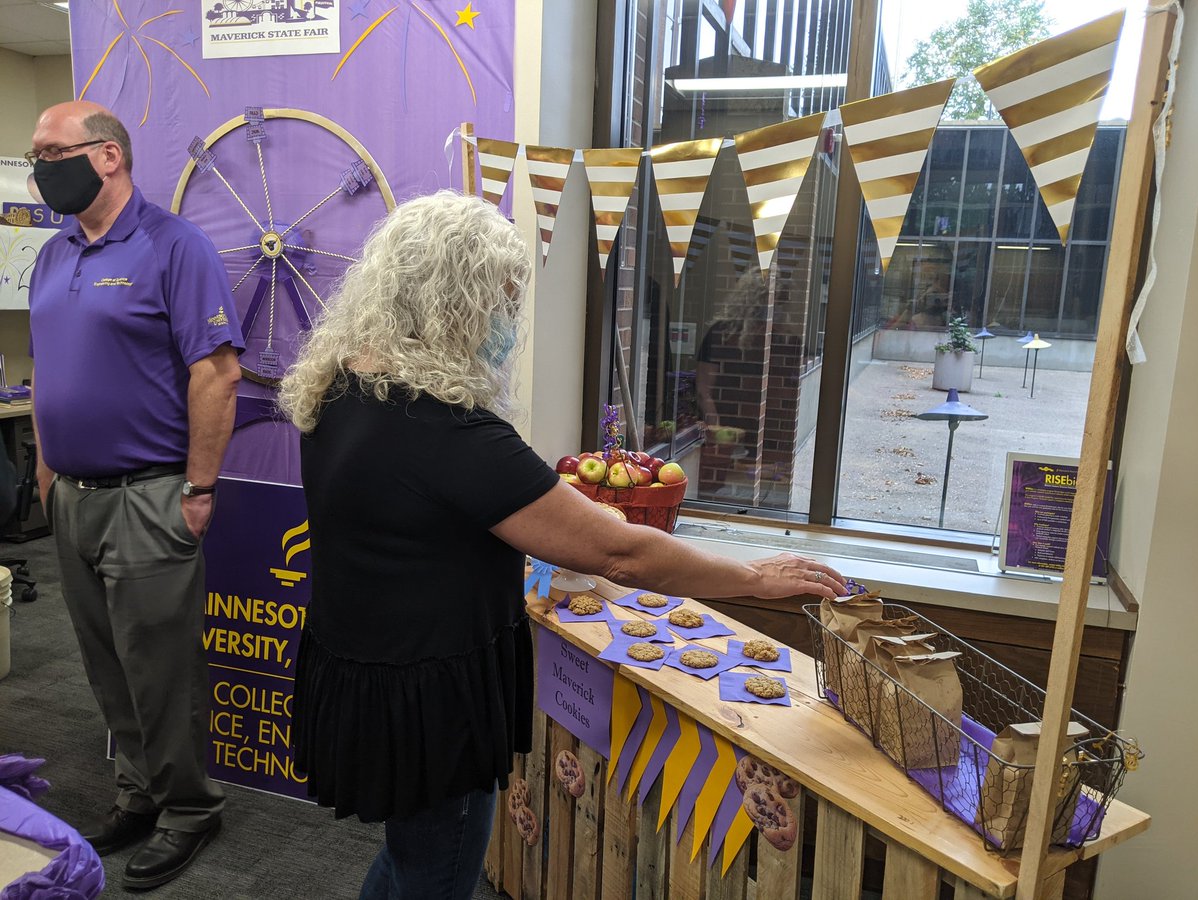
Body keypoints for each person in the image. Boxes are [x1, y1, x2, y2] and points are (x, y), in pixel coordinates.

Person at [277, 191, 848, 900]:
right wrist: (755, 579)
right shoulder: (451, 433)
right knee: (438, 870)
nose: (506, 325)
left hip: (363, 672)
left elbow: (421, 524)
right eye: (502, 304)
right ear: (457, 304)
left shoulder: (341, 389)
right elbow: (621, 553)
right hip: (430, 701)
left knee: (407, 855)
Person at [26, 101, 243, 889]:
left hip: (149, 497)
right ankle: (138, 791)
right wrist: (48, 472)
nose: (39, 165)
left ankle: (189, 807)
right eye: (35, 154)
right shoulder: (52, 257)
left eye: (51, 151)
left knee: (163, 671)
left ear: (108, 155)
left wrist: (198, 489)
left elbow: (216, 374)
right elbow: (48, 368)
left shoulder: (173, 247)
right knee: (106, 665)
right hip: (73, 496)